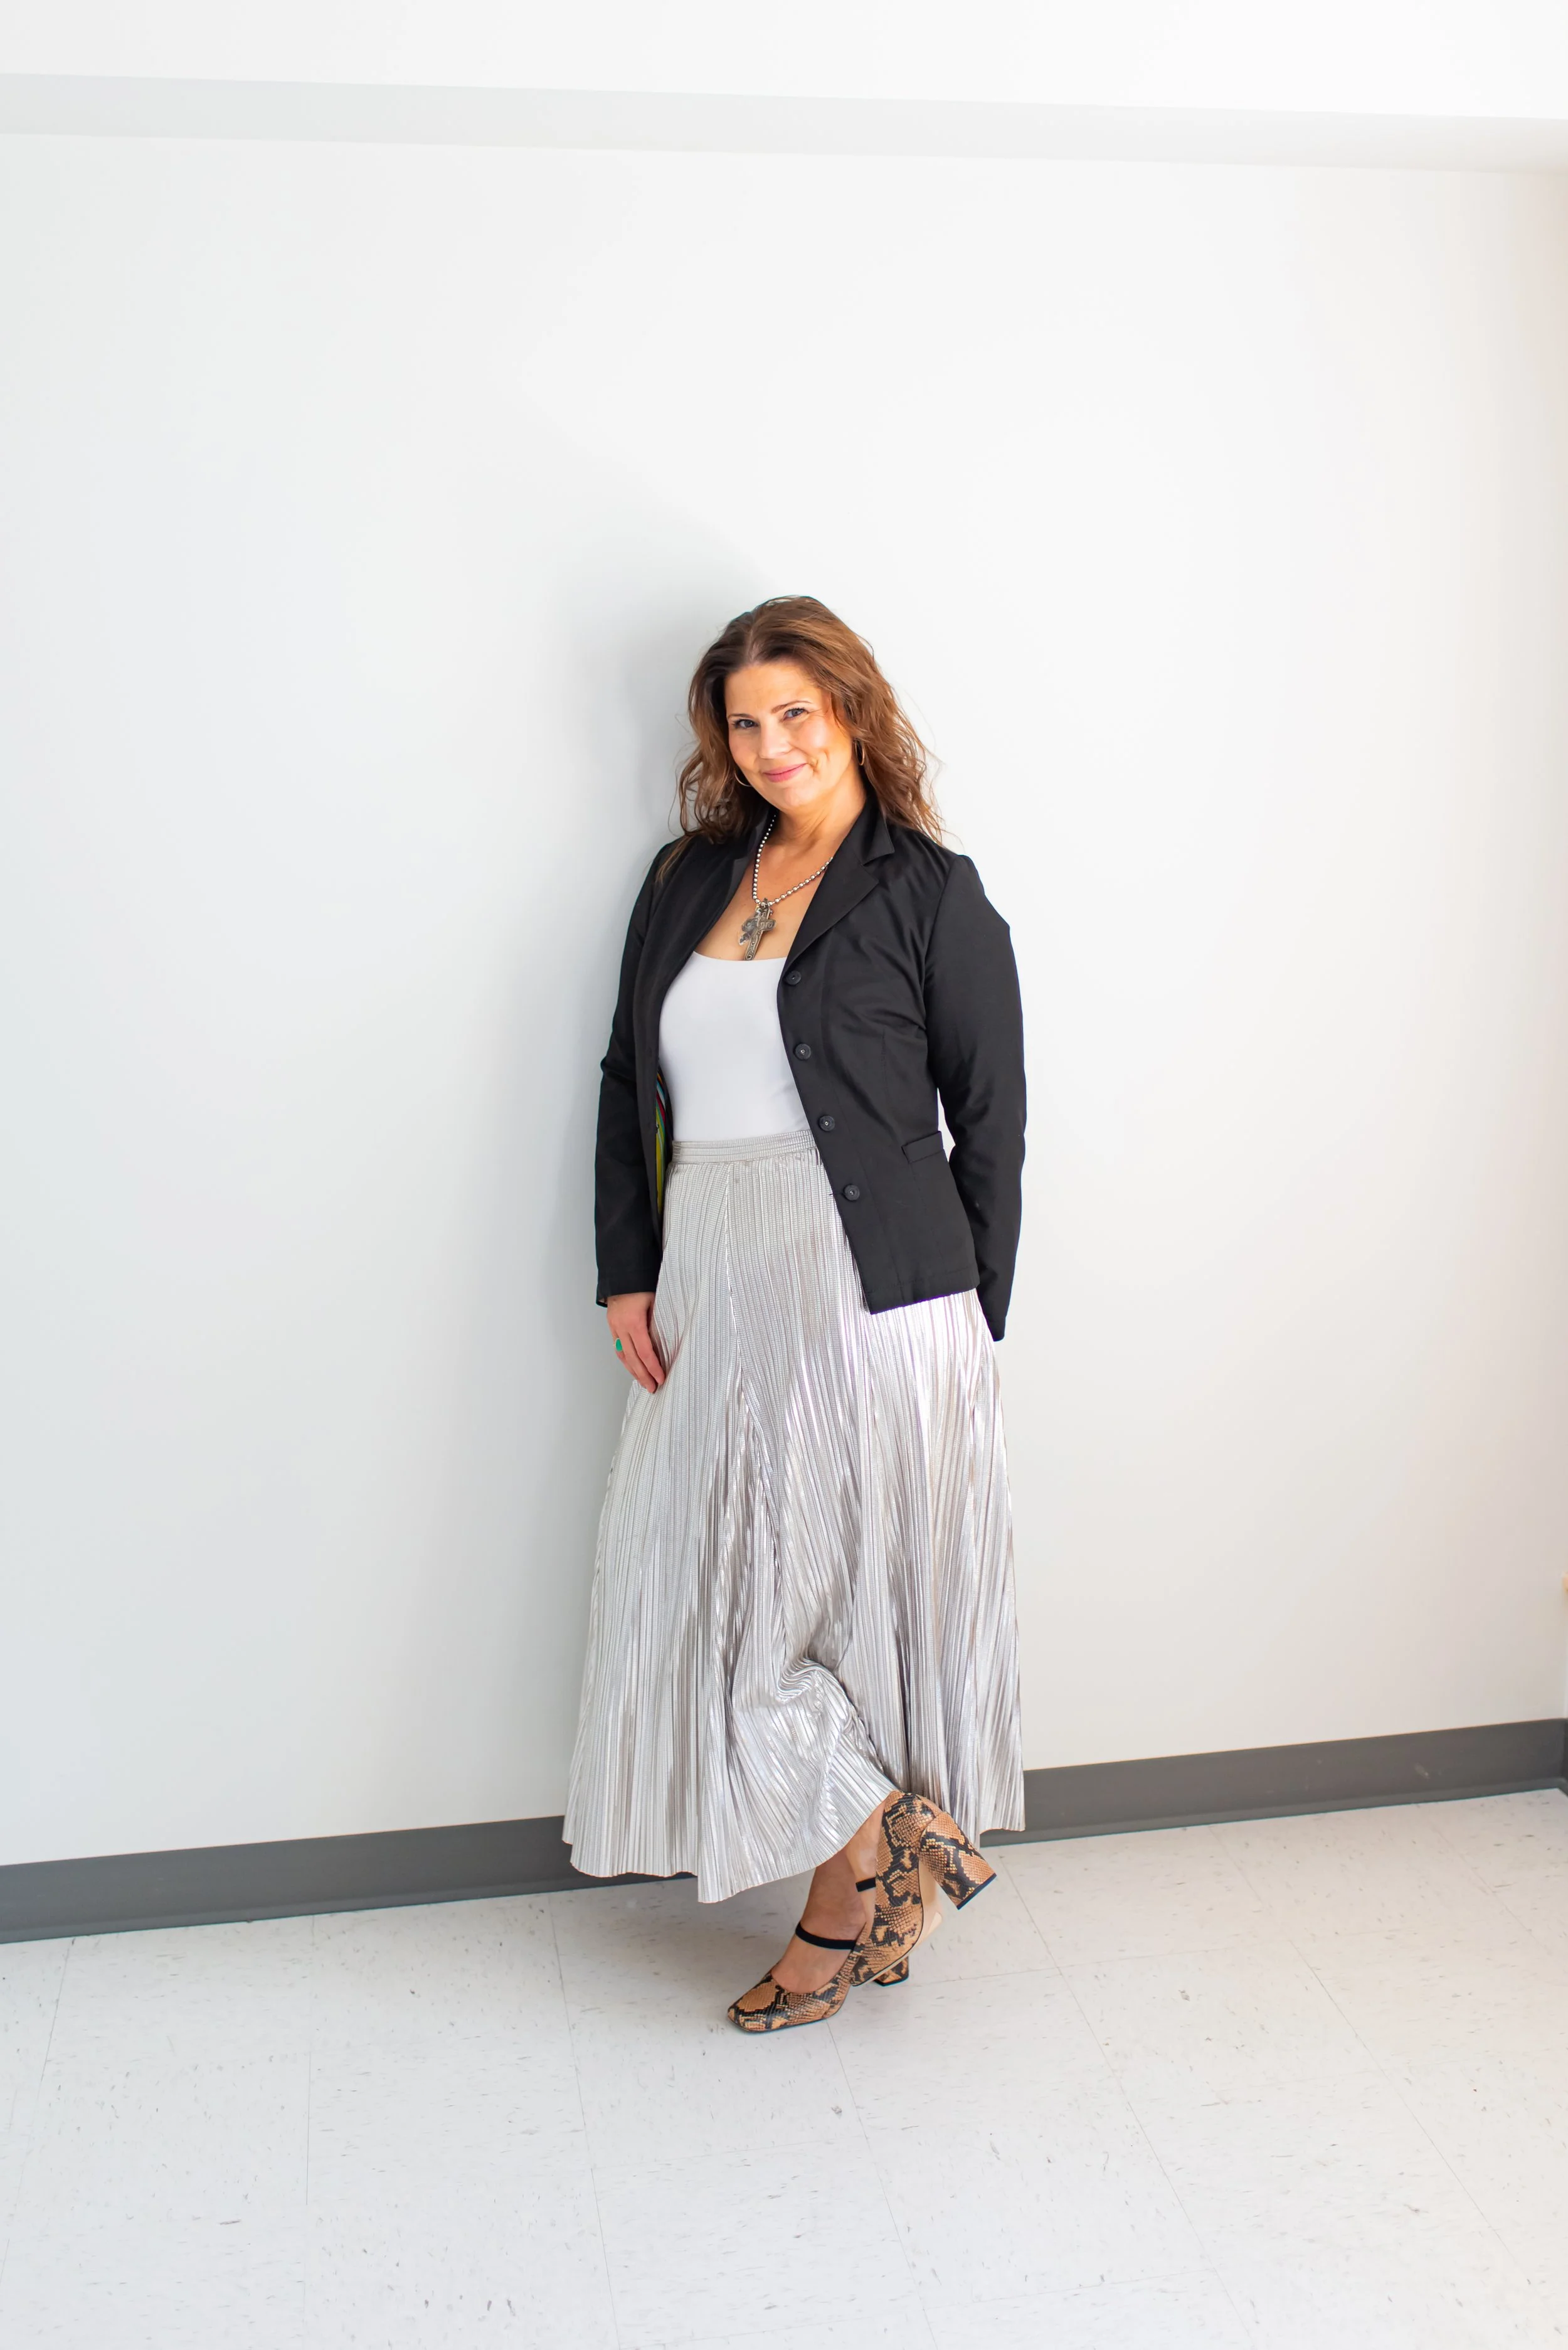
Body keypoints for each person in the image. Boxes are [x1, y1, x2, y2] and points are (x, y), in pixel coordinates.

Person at [565, 595, 1025, 2031]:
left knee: (814, 1603)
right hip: (709, 1256)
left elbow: (991, 1117)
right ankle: (893, 1839)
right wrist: (625, 1267)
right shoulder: (684, 878)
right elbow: (619, 1084)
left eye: (794, 715)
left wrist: (965, 1320)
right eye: (743, 723)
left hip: (868, 1287)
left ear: (849, 712)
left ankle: (834, 1918)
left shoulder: (927, 890)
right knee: (707, 1589)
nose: (770, 746)